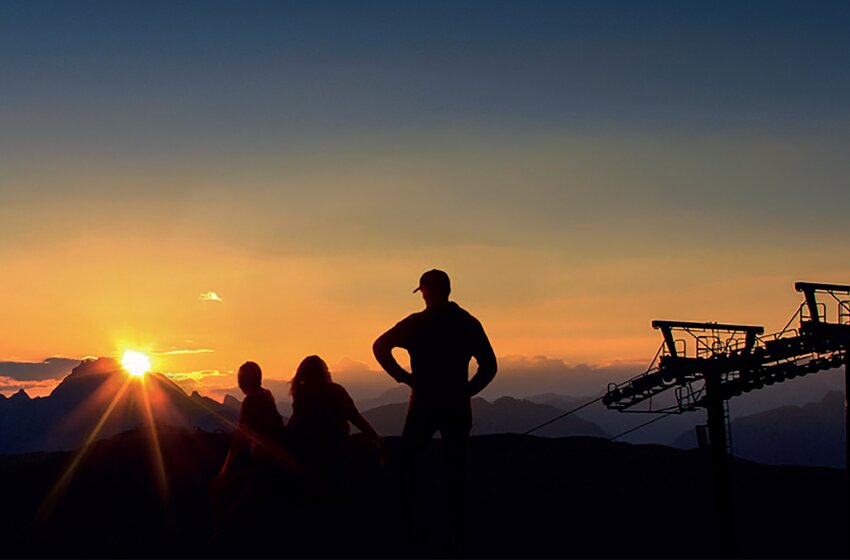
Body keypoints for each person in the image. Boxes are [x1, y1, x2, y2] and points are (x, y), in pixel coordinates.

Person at [373, 269, 497, 541]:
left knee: (409, 461)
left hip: (423, 402)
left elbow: (380, 346)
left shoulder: (417, 323)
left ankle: (412, 525)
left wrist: (405, 377)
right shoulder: (467, 323)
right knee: (456, 466)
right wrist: (467, 391)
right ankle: (457, 529)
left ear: (426, 292)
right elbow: (489, 366)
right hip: (456, 404)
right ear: (448, 291)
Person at [286, 355, 383, 474]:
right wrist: (378, 439)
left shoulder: (300, 394)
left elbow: (295, 424)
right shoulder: (335, 391)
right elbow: (356, 418)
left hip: (307, 451)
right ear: (323, 372)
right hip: (335, 449)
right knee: (368, 444)